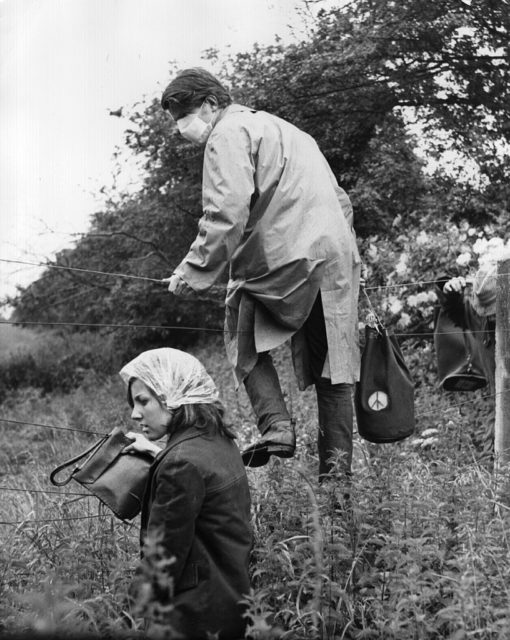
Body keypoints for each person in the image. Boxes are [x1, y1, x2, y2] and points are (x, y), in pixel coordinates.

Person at [160, 67, 361, 480]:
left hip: (287, 256)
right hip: (336, 259)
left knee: (240, 330)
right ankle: (337, 487)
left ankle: (276, 426)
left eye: (185, 115)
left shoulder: (227, 132)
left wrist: (192, 271)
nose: (183, 128)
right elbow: (342, 202)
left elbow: (226, 212)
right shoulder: (292, 132)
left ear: (212, 104)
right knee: (334, 371)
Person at [119, 347, 252, 640]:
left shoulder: (180, 464)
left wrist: (125, 616)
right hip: (231, 601)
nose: (134, 413)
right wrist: (158, 453)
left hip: (192, 616)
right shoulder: (219, 441)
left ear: (173, 396)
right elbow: (200, 476)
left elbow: (162, 557)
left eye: (143, 401)